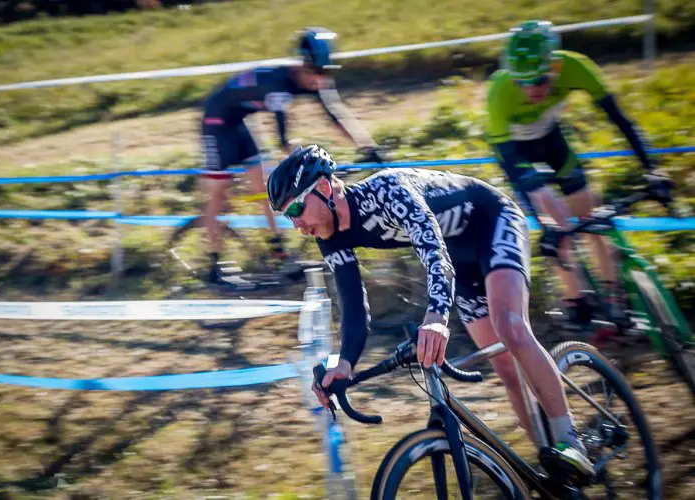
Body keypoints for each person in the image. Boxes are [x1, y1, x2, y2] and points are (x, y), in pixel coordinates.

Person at [267, 144, 595, 479]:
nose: (296, 224)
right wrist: (346, 362)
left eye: (296, 207)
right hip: (461, 259)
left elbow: (433, 250)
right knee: (506, 370)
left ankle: (571, 443)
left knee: (510, 328)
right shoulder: (329, 234)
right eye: (287, 216)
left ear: (323, 188)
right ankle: (551, 465)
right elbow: (352, 304)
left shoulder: (388, 191)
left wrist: (437, 316)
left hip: (494, 223)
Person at [486, 20, 671, 326]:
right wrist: (546, 223)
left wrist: (654, 168)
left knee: (593, 219)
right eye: (523, 82)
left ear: (555, 66)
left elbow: (621, 120)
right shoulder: (500, 91)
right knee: (555, 220)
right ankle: (576, 301)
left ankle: (615, 299)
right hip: (517, 155)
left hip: (553, 142)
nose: (532, 89)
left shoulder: (575, 67)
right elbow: (507, 159)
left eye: (540, 80)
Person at [199, 26, 383, 287]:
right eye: (317, 73)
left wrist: (368, 146)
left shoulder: (313, 79)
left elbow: (336, 115)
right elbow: (284, 140)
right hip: (217, 119)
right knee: (219, 191)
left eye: (326, 73)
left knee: (263, 188)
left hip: (240, 121)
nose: (321, 79)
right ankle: (213, 263)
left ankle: (278, 254)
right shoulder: (278, 84)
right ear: (303, 66)